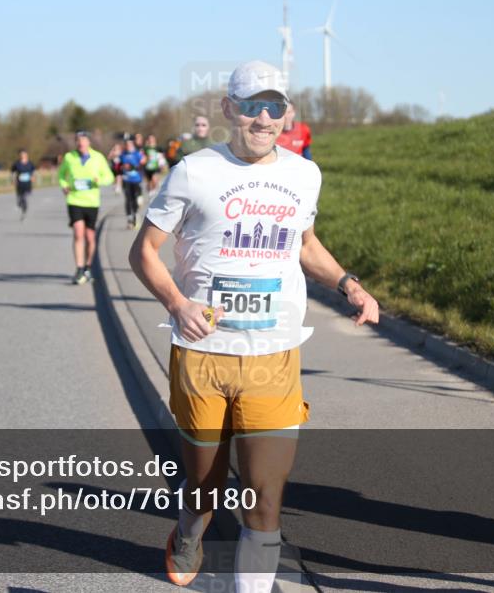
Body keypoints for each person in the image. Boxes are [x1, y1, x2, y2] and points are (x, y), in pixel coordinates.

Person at [129, 60, 378, 591]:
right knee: (204, 485)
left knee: (266, 496)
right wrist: (177, 303)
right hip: (203, 353)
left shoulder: (303, 173)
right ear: (228, 110)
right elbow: (143, 252)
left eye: (274, 107)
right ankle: (190, 532)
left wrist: (348, 284)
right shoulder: (194, 171)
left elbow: (306, 245)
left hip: (274, 354)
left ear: (287, 113)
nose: (264, 118)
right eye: (251, 106)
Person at [57, 131, 115, 285]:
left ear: (89, 142)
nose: (81, 143)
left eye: (83, 140)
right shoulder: (69, 157)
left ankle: (88, 267)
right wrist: (64, 185)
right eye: (78, 141)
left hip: (92, 202)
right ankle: (79, 268)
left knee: (90, 237)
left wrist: (99, 180)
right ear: (76, 143)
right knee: (78, 233)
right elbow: (61, 175)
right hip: (74, 200)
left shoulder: (98, 158)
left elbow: (109, 177)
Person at [120, 138, 146, 229]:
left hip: (136, 179)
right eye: (126, 145)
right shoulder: (122, 154)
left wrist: (132, 166)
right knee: (128, 199)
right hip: (126, 180)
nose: (128, 146)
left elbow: (142, 162)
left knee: (135, 199)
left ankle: (136, 214)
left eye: (130, 145)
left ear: (133, 145)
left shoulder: (137, 153)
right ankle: (129, 218)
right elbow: (117, 165)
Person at [10, 149, 37, 220]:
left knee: (25, 197)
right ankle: (21, 204)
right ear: (19, 156)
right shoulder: (16, 164)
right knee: (19, 199)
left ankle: (24, 209)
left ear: (26, 155)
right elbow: (13, 173)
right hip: (19, 183)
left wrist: (33, 177)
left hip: (27, 184)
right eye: (21, 155)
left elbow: (33, 172)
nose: (22, 156)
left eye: (24, 154)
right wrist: (13, 180)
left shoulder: (30, 164)